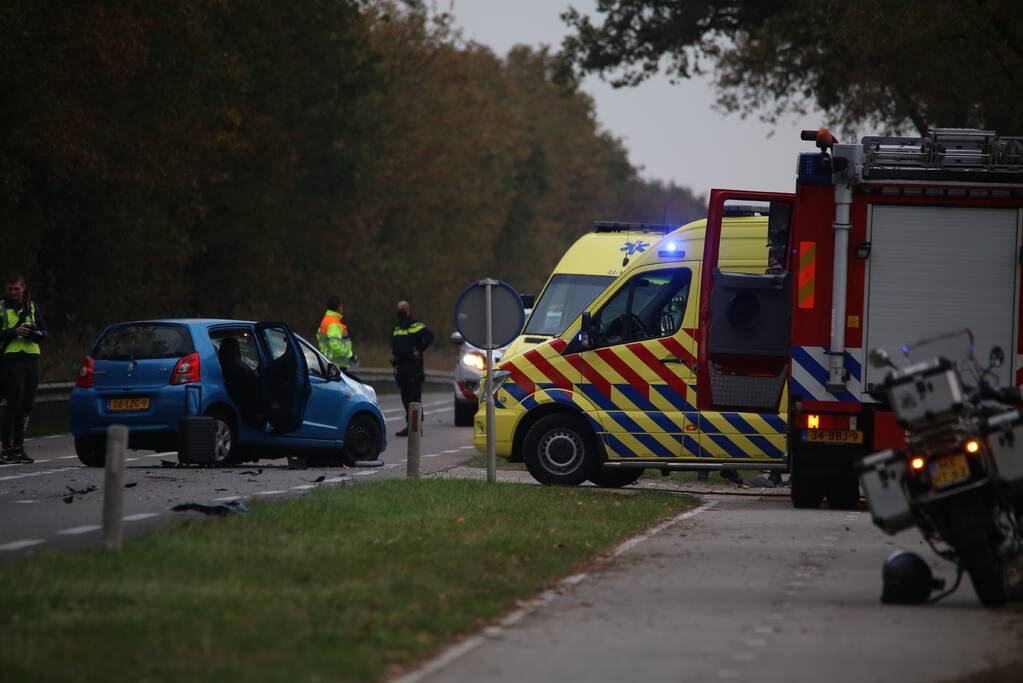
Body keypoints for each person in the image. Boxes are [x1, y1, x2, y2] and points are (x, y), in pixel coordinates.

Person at [0, 274, 47, 464]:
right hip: (12, 360)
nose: (13, 292)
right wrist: (14, 332)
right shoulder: (2, 307)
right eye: (10, 289)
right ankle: (6, 449)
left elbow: (45, 332)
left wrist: (35, 333)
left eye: (16, 289)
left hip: (32, 359)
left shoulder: (32, 307)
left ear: (23, 289)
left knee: (26, 406)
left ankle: (19, 447)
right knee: (13, 404)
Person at [391, 300, 434, 437]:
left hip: (413, 367)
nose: (399, 313)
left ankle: (416, 427)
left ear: (408, 310)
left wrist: (419, 350)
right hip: (401, 367)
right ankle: (409, 425)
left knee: (414, 398)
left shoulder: (415, 325)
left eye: (401, 310)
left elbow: (429, 336)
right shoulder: (398, 327)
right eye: (398, 310)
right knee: (405, 397)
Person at [317, 296, 355, 370]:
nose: (342, 307)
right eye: (341, 305)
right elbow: (335, 343)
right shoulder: (334, 323)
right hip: (337, 364)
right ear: (338, 307)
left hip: (329, 362)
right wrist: (350, 355)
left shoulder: (326, 320)